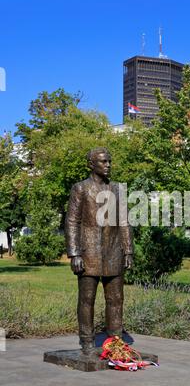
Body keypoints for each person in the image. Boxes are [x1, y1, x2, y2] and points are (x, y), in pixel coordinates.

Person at [65, 148, 133, 355]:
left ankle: (115, 340)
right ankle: (86, 340)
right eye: (104, 162)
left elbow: (124, 222)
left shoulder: (117, 189)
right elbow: (72, 221)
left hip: (114, 252)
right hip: (88, 252)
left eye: (109, 161)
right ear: (91, 164)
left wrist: (128, 251)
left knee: (116, 299)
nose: (108, 165)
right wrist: (75, 253)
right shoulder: (81, 189)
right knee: (87, 299)